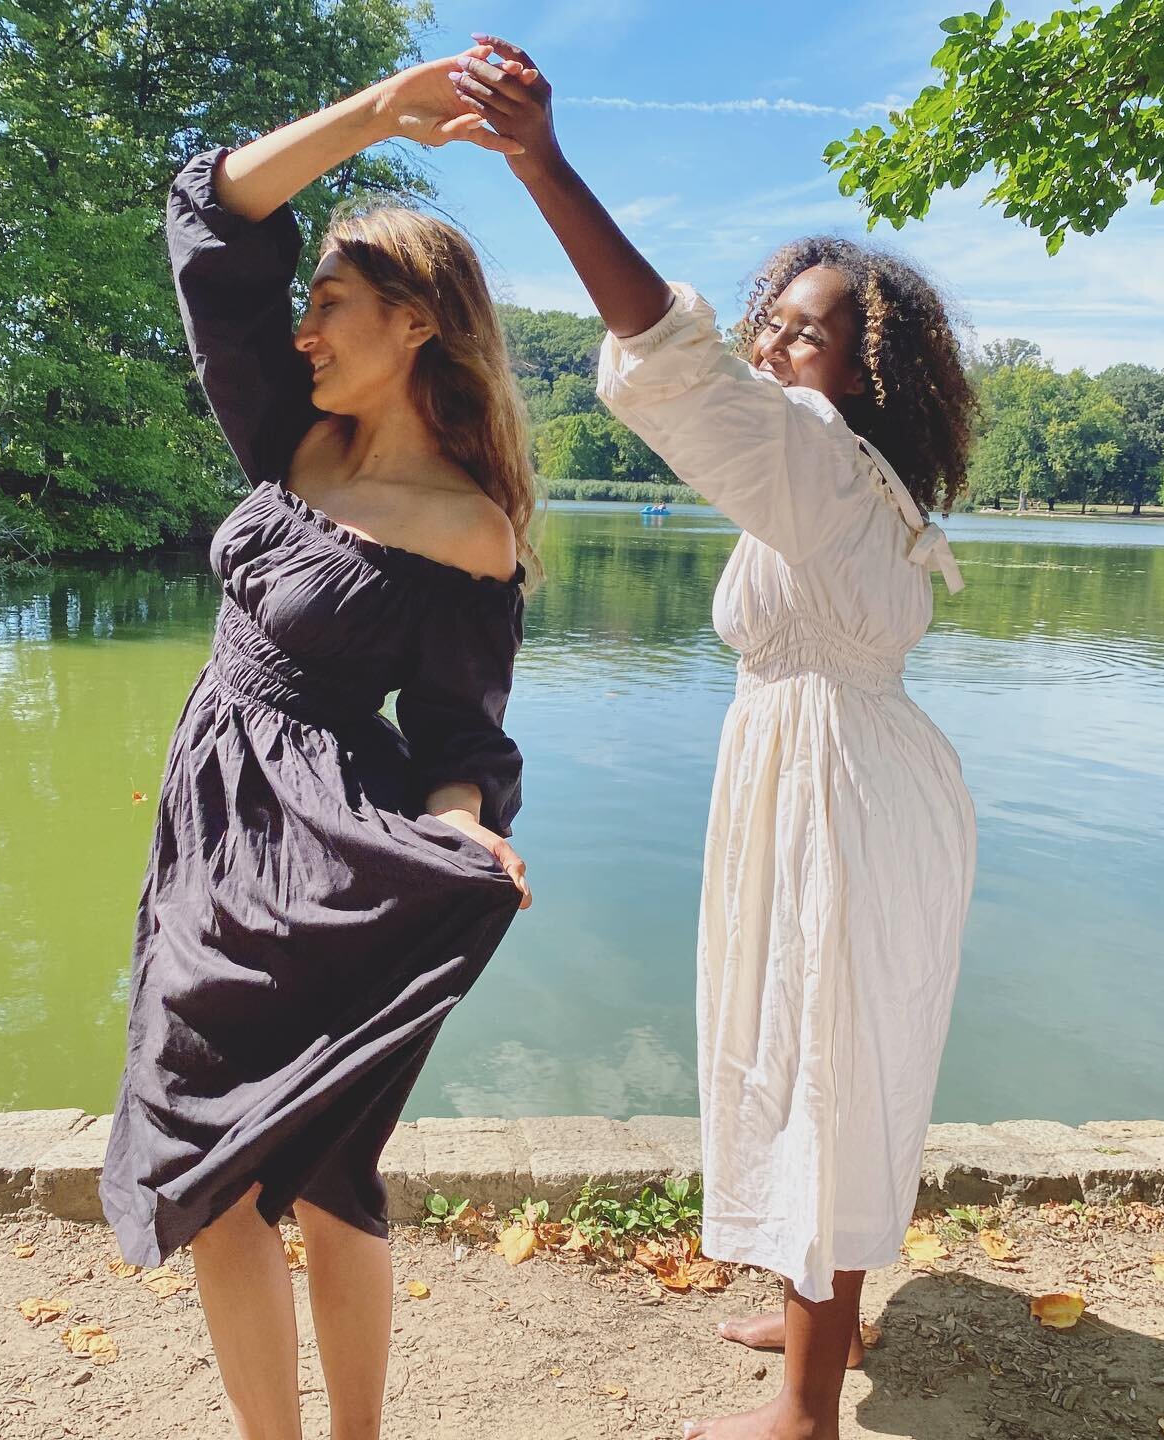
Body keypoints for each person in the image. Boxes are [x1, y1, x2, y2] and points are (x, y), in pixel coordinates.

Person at [449, 38, 977, 1440]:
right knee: (820, 1047)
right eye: (774, 321)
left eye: (806, 331)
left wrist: (542, 166)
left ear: (862, 369)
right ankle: (821, 1315)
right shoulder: (854, 480)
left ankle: (806, 1408)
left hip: (837, 790)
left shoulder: (811, 448)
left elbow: (666, 354)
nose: (775, 346)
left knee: (823, 1055)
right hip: (842, 772)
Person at [98, 56, 536, 1440]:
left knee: (333, 1177)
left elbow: (461, 737)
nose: (300, 334)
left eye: (330, 308)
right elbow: (209, 229)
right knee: (209, 1172)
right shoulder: (289, 440)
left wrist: (460, 821)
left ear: (414, 324)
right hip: (209, 832)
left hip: (324, 862)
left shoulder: (471, 529)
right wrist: (367, 118)